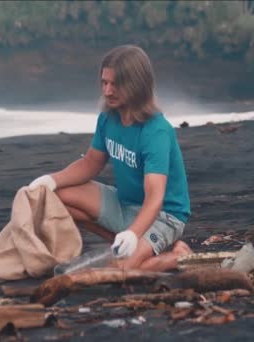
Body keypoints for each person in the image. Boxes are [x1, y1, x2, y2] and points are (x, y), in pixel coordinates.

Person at [27, 45, 192, 272]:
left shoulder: (156, 131)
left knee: (121, 269)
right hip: (123, 204)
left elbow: (155, 196)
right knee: (53, 198)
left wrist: (134, 233)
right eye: (104, 83)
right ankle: (126, 242)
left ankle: (177, 255)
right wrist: (50, 180)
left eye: (115, 84)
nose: (107, 91)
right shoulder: (108, 118)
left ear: (136, 84)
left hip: (163, 215)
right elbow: (91, 162)